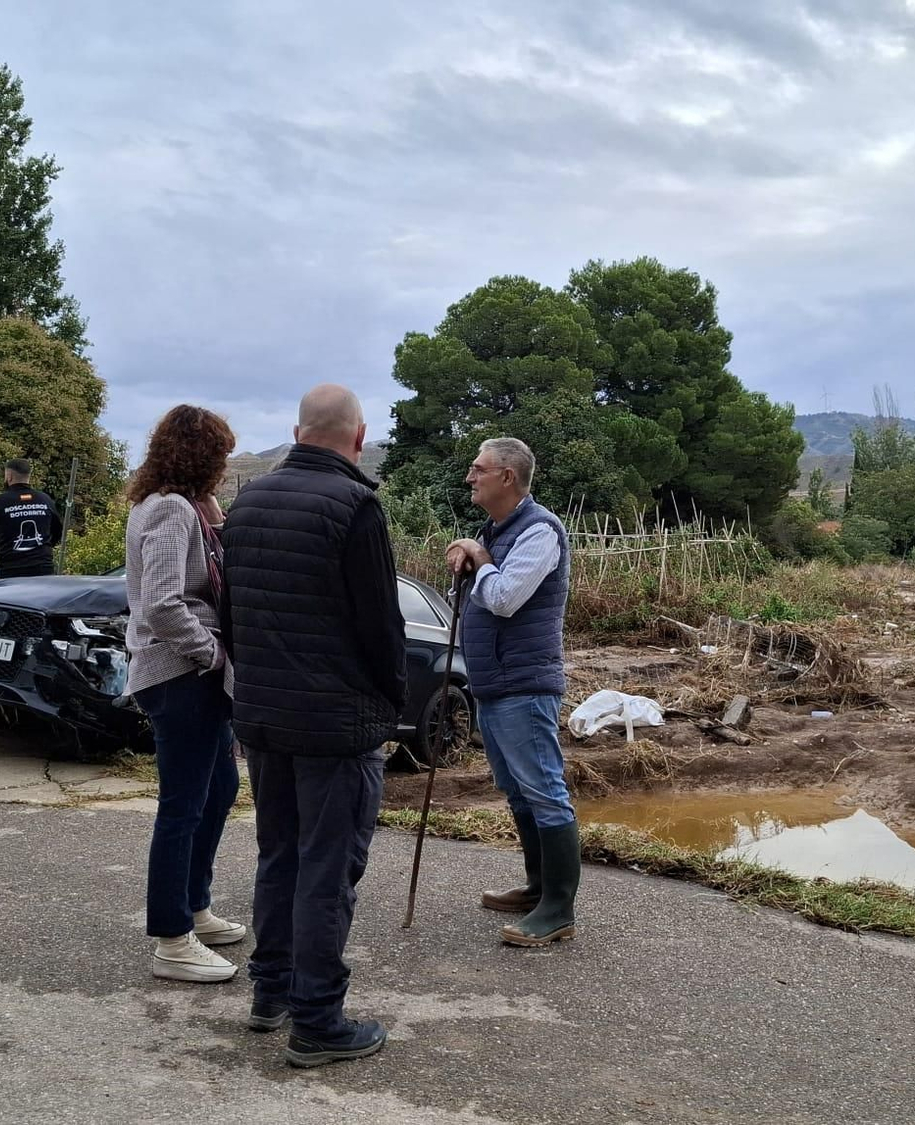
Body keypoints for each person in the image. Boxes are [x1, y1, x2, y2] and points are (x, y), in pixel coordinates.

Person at [219, 383, 405, 1069]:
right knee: (327, 870)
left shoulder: (246, 504)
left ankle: (271, 994)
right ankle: (319, 1019)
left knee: (279, 855)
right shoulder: (357, 506)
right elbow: (382, 627)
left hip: (265, 716)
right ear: (357, 440)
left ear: (298, 433)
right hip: (335, 725)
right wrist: (391, 705)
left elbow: (231, 615)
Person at [123, 407, 247, 983]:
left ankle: (194, 906)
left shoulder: (181, 508)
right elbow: (164, 603)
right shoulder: (170, 510)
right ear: (201, 458)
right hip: (180, 674)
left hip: (190, 675)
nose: (222, 469)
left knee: (219, 788)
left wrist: (213, 517)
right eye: (218, 458)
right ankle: (172, 938)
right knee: (183, 804)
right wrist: (212, 655)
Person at [445, 437, 579, 947]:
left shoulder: (539, 531)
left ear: (506, 476)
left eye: (478, 469)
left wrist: (478, 556)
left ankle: (558, 909)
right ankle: (538, 888)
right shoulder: (497, 530)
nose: (469, 477)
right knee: (519, 789)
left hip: (524, 685)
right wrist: (469, 555)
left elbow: (503, 599)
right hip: (495, 683)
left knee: (545, 790)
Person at [0, 458, 63, 578]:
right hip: (42, 567)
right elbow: (57, 532)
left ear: (9, 476)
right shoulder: (45, 500)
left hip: (11, 568)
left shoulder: (0, 502)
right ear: (28, 476)